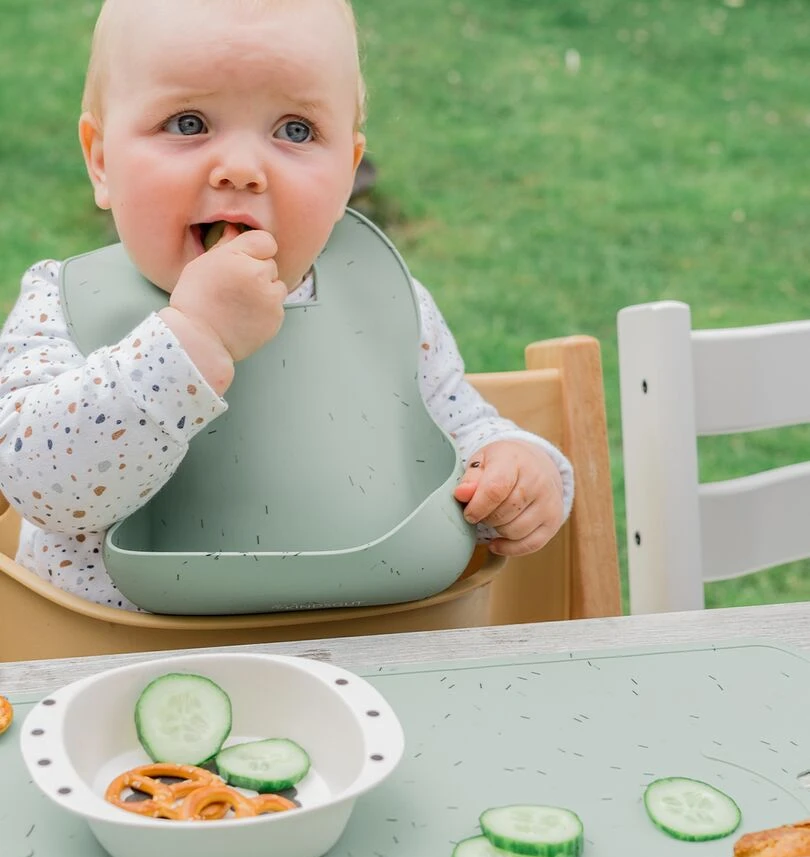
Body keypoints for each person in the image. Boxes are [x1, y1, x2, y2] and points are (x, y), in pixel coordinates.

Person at [0, 0, 573, 611]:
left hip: (369, 653)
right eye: (189, 123)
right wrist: (191, 339)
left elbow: (460, 430)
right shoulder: (62, 303)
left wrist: (518, 471)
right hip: (122, 668)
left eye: (295, 130)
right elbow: (38, 485)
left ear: (348, 175)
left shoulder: (378, 296)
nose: (243, 170)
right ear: (102, 159)